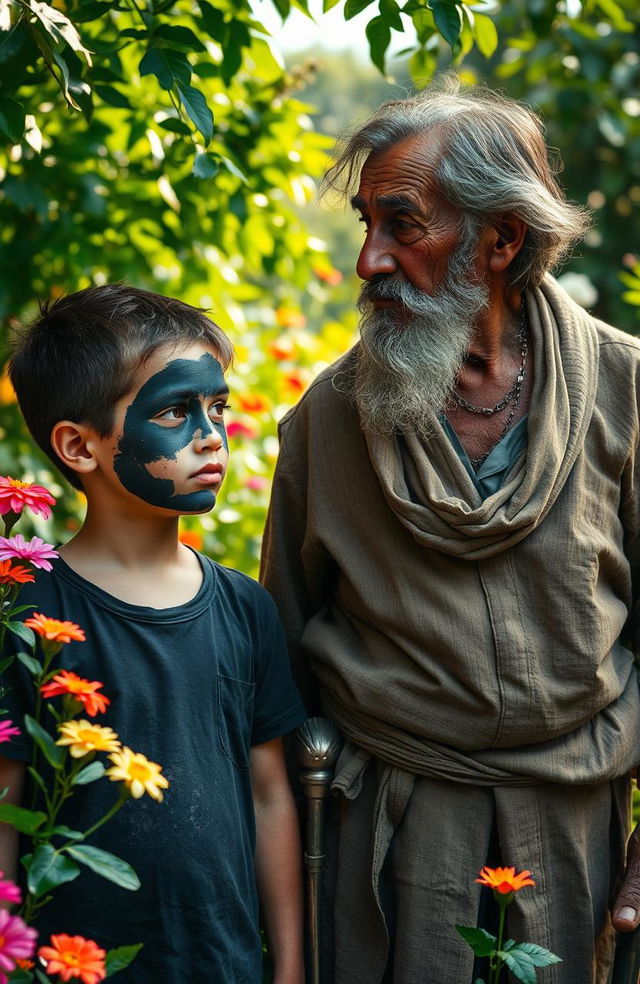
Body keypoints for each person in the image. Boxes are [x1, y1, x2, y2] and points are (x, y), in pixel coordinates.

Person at [260, 75, 640, 984]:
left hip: (576, 833)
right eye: (366, 225)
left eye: (403, 224)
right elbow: (276, 669)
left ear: (501, 240)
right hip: (385, 847)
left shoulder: (628, 393)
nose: (369, 262)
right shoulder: (328, 420)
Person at [0, 284, 307, 983]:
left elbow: (269, 796)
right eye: (175, 410)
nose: (211, 434)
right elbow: (7, 804)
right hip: (69, 970)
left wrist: (287, 968)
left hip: (224, 966)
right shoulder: (24, 615)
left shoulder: (245, 609)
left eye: (218, 408)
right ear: (79, 446)